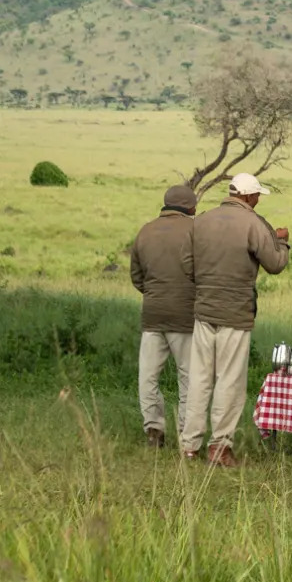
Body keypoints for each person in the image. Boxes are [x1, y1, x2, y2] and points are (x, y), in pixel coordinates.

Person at [180, 172, 291, 467]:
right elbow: (275, 264)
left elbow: (186, 264)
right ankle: (220, 447)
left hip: (204, 311)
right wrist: (282, 243)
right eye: (256, 196)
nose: (257, 201)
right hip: (236, 313)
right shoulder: (253, 223)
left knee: (199, 380)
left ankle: (189, 446)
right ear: (248, 196)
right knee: (229, 381)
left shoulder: (201, 221)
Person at [129, 183, 196, 449]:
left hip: (153, 315)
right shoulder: (195, 230)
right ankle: (186, 434)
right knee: (189, 378)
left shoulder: (146, 231)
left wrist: (155, 292)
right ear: (190, 207)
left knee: (148, 376)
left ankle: (153, 430)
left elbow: (137, 277)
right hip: (186, 316)